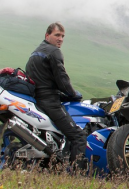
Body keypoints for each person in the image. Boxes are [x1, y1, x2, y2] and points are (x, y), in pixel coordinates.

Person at [26, 22, 88, 171]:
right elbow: (62, 79)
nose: (60, 39)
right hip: (49, 101)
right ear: (47, 35)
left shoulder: (35, 52)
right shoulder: (54, 52)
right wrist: (73, 94)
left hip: (36, 99)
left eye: (62, 36)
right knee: (78, 136)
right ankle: (76, 175)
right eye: (57, 35)